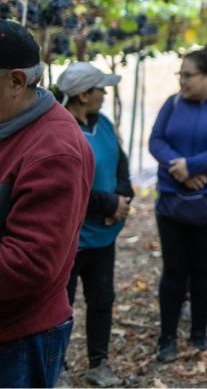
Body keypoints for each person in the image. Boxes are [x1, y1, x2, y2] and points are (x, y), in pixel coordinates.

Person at [0, 20, 93, 388]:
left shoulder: (54, 149)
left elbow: (30, 263)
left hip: (18, 339)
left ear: (17, 81)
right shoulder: (6, 121)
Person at [56, 63, 133, 388]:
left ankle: (98, 363)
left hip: (103, 234)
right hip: (70, 238)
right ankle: (55, 367)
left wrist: (124, 196)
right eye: (101, 89)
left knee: (102, 298)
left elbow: (120, 162)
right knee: (61, 305)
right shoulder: (59, 130)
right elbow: (67, 186)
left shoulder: (102, 123)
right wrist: (110, 204)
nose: (105, 93)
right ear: (84, 94)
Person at [149, 49, 207, 362]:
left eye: (187, 75)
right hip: (172, 202)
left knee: (204, 270)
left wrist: (193, 167)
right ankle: (167, 337)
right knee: (174, 270)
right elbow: (156, 141)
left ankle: (198, 333)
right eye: (179, 75)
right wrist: (177, 168)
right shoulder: (172, 103)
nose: (182, 81)